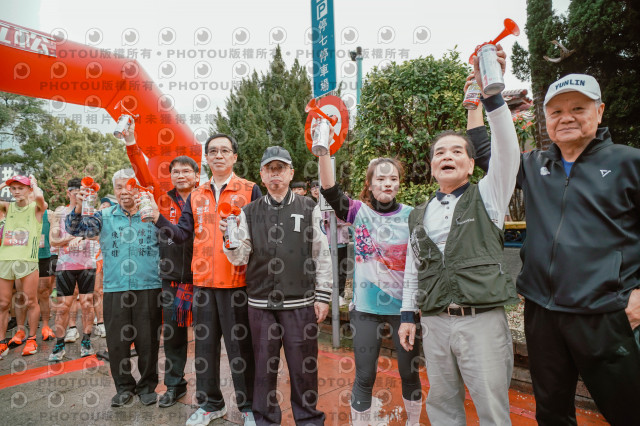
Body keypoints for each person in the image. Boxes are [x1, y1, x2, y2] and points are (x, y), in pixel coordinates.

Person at [469, 73, 640, 426]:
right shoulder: (534, 165)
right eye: (556, 111)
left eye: (578, 108)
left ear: (599, 111)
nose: (566, 118)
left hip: (605, 312)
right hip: (542, 312)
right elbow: (487, 155)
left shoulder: (630, 163)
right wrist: (484, 95)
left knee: (629, 410)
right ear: (546, 119)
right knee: (550, 412)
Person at [398, 46, 521, 426]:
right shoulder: (418, 213)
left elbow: (507, 150)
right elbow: (413, 268)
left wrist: (492, 97)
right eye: (439, 153)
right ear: (432, 166)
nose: (447, 156)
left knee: (492, 410)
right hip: (435, 322)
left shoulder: (489, 196)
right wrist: (407, 316)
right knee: (443, 406)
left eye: (456, 151)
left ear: (471, 164)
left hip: (481, 322)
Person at [151, 133, 261, 426]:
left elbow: (261, 237)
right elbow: (181, 234)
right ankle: (211, 404)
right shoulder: (197, 195)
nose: (219, 155)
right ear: (207, 158)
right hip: (202, 284)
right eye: (213, 151)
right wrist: (157, 219)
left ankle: (249, 407)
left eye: (225, 150)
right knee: (205, 349)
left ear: (234, 157)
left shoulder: (250, 190)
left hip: (237, 284)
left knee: (240, 349)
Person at [220, 146, 332, 426]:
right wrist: (229, 241)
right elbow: (240, 257)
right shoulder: (249, 212)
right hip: (260, 304)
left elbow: (321, 253)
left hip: (300, 303)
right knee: (263, 369)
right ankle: (265, 420)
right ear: (262, 175)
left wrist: (323, 296)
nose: (275, 174)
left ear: (291, 172)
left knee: (304, 368)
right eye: (270, 169)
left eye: (280, 168)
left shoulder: (309, 207)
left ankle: (308, 419)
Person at [318, 154, 422, 424]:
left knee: (409, 373)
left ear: (399, 183)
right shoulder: (358, 212)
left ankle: (413, 422)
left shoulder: (412, 215)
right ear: (370, 184)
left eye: (393, 179)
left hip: (404, 311)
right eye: (381, 178)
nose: (387, 184)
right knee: (365, 375)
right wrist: (323, 151)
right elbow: (329, 189)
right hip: (365, 309)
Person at [66, 169, 162, 407]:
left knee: (148, 341)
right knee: (118, 343)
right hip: (115, 287)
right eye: (119, 187)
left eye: (129, 186)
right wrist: (78, 205)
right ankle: (124, 387)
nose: (124, 191)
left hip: (148, 285)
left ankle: (147, 387)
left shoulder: (152, 214)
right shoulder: (104, 216)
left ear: (138, 188)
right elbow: (77, 229)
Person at [124, 122, 200, 408]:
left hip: (205, 279)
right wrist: (131, 141)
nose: (180, 175)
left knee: (208, 338)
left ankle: (209, 392)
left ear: (196, 175)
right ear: (170, 176)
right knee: (174, 337)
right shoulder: (160, 198)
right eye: (175, 171)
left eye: (186, 171)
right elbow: (141, 171)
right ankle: (174, 385)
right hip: (172, 279)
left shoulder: (207, 198)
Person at [48, 178, 98, 361]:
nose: (80, 196)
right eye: (76, 193)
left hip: (87, 264)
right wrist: (72, 238)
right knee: (63, 307)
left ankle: (86, 342)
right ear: (68, 193)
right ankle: (59, 345)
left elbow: (97, 236)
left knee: (87, 303)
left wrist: (84, 238)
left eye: (83, 193)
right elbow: (53, 241)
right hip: (65, 265)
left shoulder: (92, 212)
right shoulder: (60, 213)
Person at [0, 175, 47, 358]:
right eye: (13, 188)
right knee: (3, 303)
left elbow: (40, 197)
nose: (16, 191)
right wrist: (3, 185)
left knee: (30, 301)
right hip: (5, 260)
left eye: (21, 188)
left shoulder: (37, 208)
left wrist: (33, 183)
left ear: (29, 190)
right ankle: (2, 342)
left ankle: (32, 339)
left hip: (27, 260)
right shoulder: (7, 207)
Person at [320, 211, 350, 307]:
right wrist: (334, 221)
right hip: (328, 242)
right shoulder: (322, 205)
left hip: (342, 241)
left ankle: (340, 295)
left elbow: (348, 219)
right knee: (328, 270)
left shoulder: (343, 204)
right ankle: (329, 293)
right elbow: (321, 221)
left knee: (341, 270)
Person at [37, 208, 56, 341]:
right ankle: (23, 330)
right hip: (24, 259)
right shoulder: (17, 211)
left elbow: (55, 237)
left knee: (44, 292)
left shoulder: (48, 214)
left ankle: (45, 326)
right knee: (24, 295)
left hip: (44, 256)